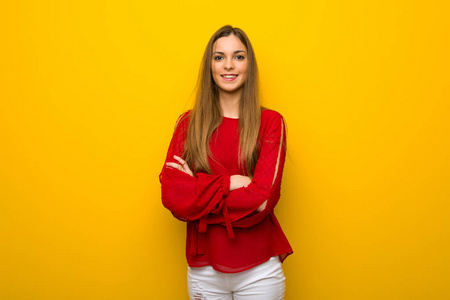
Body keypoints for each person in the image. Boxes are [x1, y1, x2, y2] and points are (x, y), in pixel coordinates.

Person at [159, 25, 293, 300]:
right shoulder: (188, 124)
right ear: (210, 66)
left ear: (249, 65)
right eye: (219, 57)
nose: (228, 65)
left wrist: (198, 192)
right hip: (203, 269)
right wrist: (230, 183)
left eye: (238, 56)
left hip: (259, 271)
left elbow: (263, 201)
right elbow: (172, 196)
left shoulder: (270, 123)